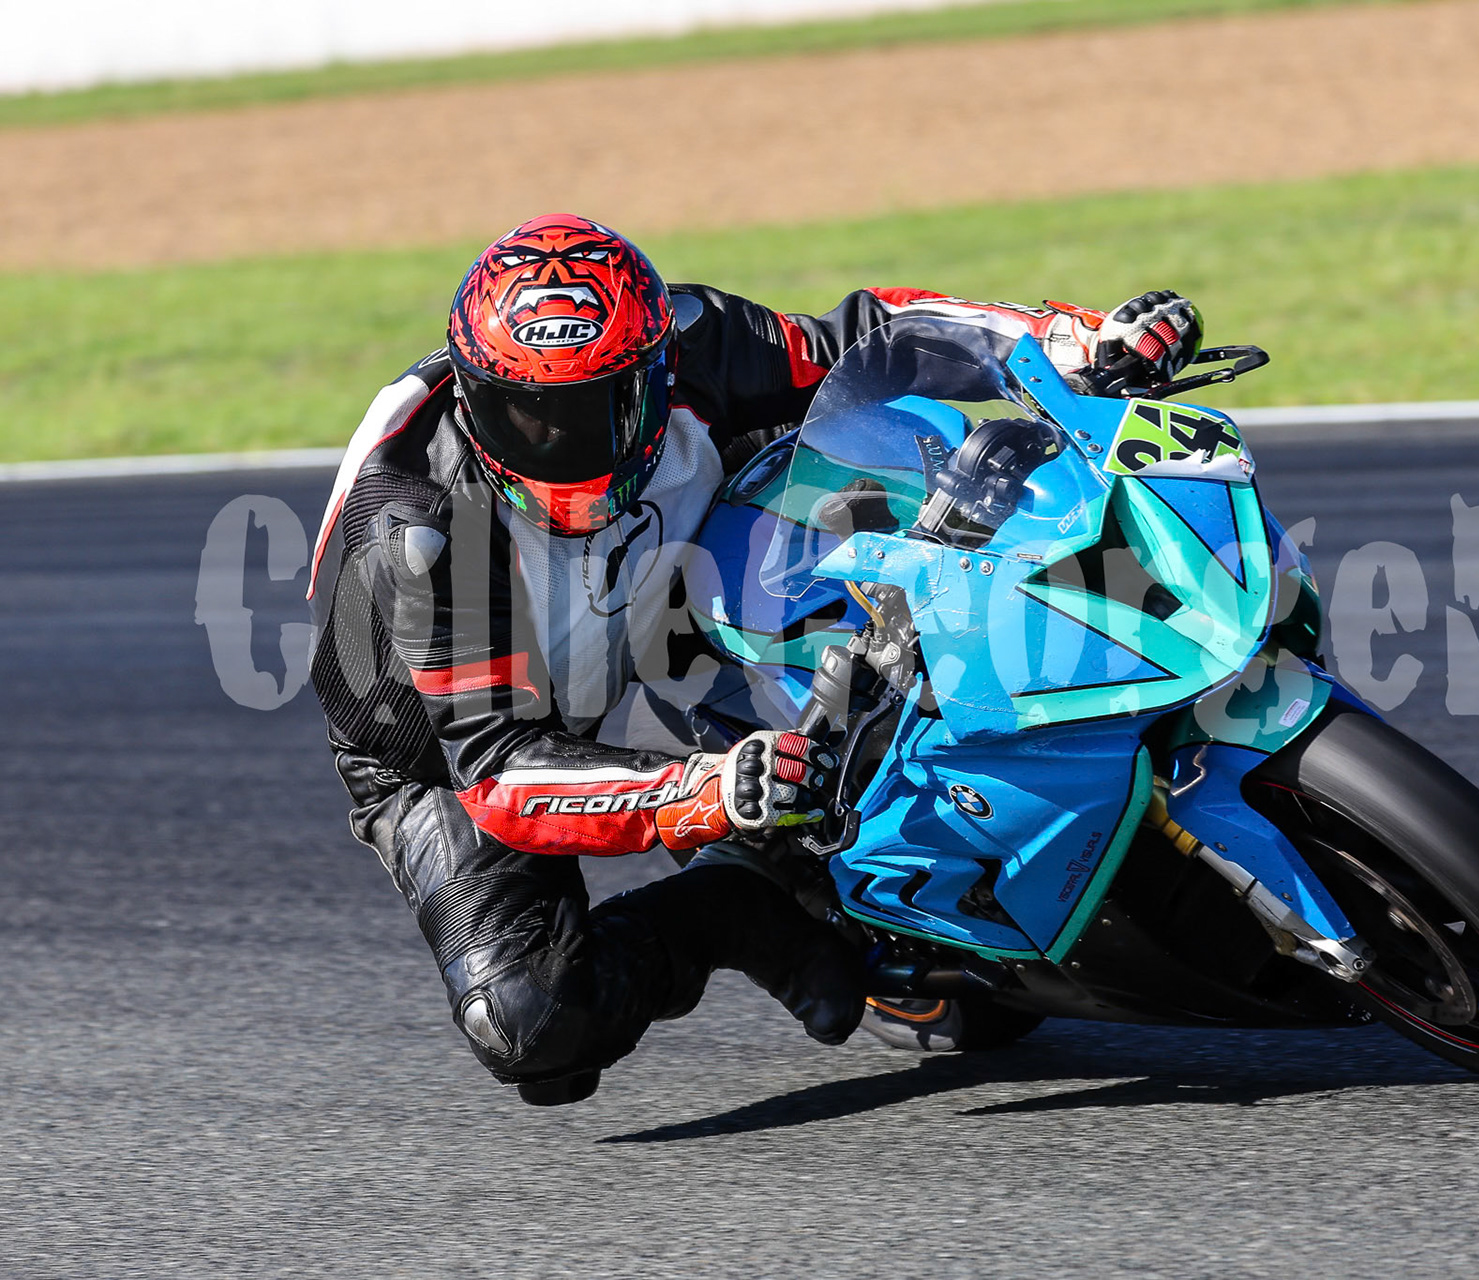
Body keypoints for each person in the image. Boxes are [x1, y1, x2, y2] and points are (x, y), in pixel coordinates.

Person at [307, 212, 1203, 1106]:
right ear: (471, 393)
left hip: (669, 586)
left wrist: (1076, 341)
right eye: (524, 415)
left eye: (596, 410)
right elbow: (499, 771)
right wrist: (708, 792)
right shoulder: (417, 525)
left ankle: (1042, 683)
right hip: (449, 751)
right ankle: (734, 899)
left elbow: (874, 335)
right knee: (536, 1025)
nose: (558, 448)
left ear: (656, 369)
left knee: (852, 456)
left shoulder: (692, 337)